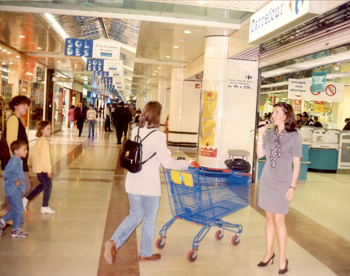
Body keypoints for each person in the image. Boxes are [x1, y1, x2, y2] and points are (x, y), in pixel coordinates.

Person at [103, 101, 199, 265]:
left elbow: (143, 152)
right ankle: (145, 253)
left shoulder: (135, 131)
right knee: (148, 219)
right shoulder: (159, 136)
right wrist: (187, 163)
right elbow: (168, 163)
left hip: (132, 182)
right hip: (149, 186)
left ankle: (113, 242)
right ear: (156, 115)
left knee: (135, 215)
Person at [256, 102, 302, 275]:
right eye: (273, 112)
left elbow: (296, 165)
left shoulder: (294, 137)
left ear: (285, 115)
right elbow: (260, 155)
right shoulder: (269, 134)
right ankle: (269, 253)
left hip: (283, 183)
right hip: (267, 180)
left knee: (279, 220)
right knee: (269, 218)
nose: (272, 115)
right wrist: (260, 136)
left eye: (276, 112)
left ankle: (282, 258)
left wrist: (292, 186)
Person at [2, 96, 32, 213]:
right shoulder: (13, 119)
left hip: (17, 161)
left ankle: (8, 213)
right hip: (15, 162)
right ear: (15, 106)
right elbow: (11, 142)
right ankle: (6, 213)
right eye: (23, 105)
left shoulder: (17, 120)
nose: (27, 107)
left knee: (18, 188)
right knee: (24, 186)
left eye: (27, 105)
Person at [22, 121, 55, 214]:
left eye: (50, 128)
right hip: (43, 169)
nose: (50, 130)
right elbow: (45, 158)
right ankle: (45, 207)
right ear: (42, 130)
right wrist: (49, 170)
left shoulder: (39, 140)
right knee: (48, 186)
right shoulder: (44, 142)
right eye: (48, 129)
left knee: (42, 186)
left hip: (39, 168)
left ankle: (25, 200)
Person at [0, 140, 28, 238]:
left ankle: (2, 221)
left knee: (16, 209)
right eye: (24, 149)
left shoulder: (17, 160)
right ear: (16, 151)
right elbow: (5, 174)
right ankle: (16, 230)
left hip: (13, 189)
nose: (26, 151)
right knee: (19, 210)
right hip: (13, 189)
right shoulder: (15, 161)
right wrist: (16, 179)